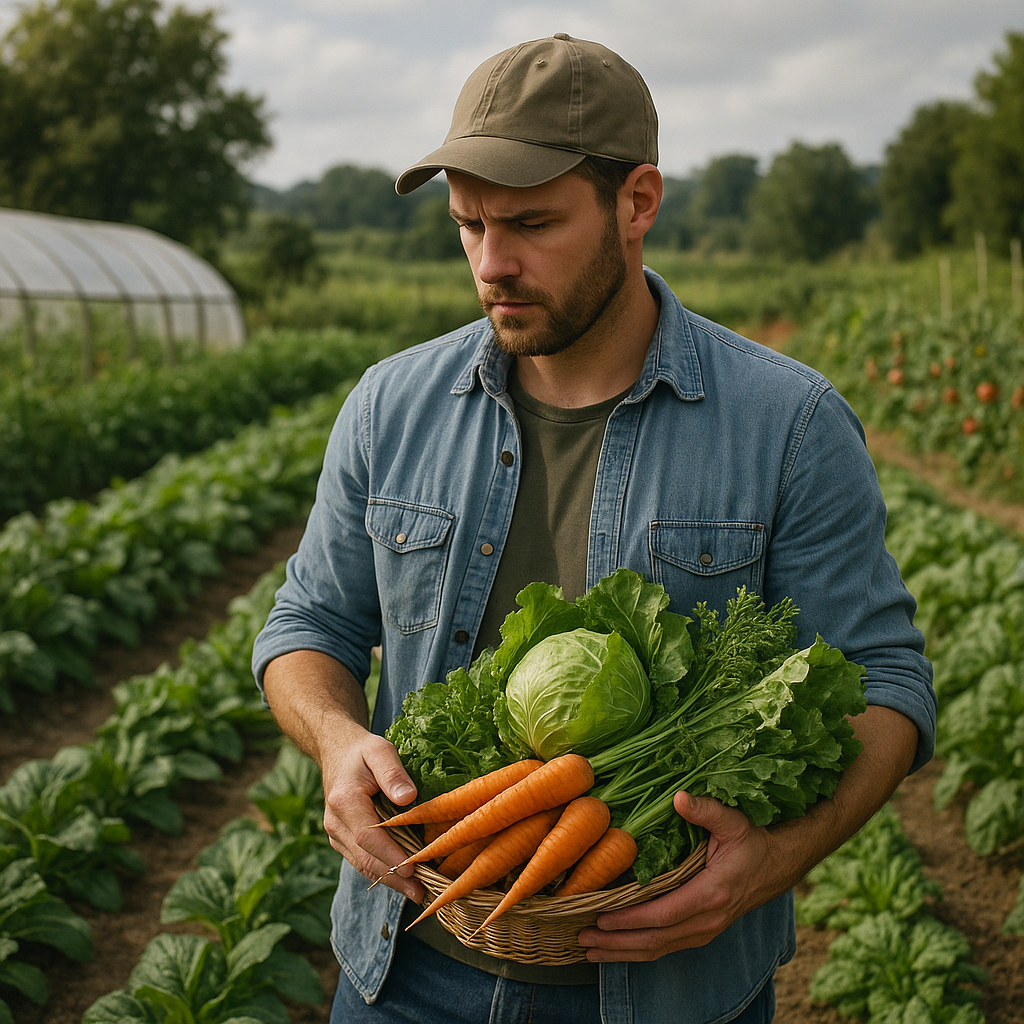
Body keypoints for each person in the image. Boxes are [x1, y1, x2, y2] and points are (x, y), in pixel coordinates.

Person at [252, 33, 936, 1024]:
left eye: (531, 223)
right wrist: (336, 739)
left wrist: (773, 860)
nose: (492, 263)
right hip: (404, 967)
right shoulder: (388, 407)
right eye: (468, 224)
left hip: (672, 989)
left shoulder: (788, 424)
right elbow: (308, 624)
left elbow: (884, 678)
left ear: (637, 202)